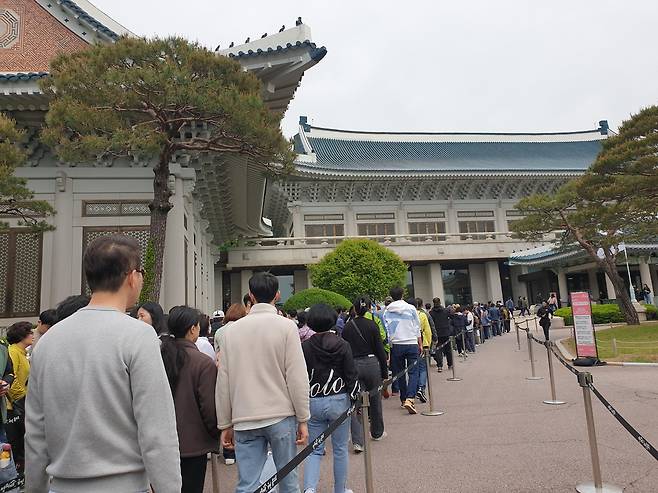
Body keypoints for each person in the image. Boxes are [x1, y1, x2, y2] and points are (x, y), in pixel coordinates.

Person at [26, 234, 181, 493]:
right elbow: (156, 431)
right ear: (132, 277)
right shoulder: (138, 336)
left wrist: (34, 488)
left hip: (61, 485)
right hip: (125, 485)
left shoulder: (48, 341)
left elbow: (36, 432)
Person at [217, 272, 310, 493]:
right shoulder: (286, 327)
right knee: (288, 480)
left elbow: (223, 380)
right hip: (280, 414)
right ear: (277, 295)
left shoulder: (231, 331)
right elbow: (296, 376)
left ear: (250, 295)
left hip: (244, 416)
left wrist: (225, 423)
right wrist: (303, 418)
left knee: (247, 484)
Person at [161, 306, 219, 493]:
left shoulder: (159, 356)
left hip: (160, 441)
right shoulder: (202, 363)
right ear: (193, 329)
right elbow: (209, 408)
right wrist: (216, 433)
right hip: (193, 443)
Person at [302, 304, 359, 493]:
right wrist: (354, 399)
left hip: (314, 400)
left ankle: (309, 489)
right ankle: (340, 490)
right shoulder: (342, 344)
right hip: (339, 399)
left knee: (315, 449)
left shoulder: (305, 347)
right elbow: (351, 375)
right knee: (341, 448)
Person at [342, 296, 388, 453]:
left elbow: (344, 350)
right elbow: (380, 350)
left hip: (354, 364)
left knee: (356, 402)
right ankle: (377, 431)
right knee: (375, 398)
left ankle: (358, 441)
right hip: (371, 363)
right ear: (369, 307)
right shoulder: (372, 325)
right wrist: (384, 370)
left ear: (354, 308)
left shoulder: (347, 327)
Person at [214, 303, 246, 466]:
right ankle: (241, 448)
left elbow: (217, 354)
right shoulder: (244, 329)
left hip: (224, 373)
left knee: (227, 411)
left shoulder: (220, 331)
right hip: (241, 374)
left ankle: (228, 452)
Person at [382, 286, 422, 415]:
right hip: (411, 342)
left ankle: (403, 398)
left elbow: (386, 329)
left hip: (396, 344)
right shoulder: (411, 308)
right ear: (402, 294)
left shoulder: (387, 310)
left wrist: (390, 344)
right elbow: (417, 326)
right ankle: (410, 398)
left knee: (399, 373)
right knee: (413, 372)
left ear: (391, 295)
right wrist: (419, 342)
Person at [6, 322, 33, 473]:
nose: (32, 335)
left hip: (20, 401)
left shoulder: (22, 352)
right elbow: (11, 376)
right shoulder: (13, 351)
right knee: (14, 440)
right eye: (29, 333)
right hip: (13, 404)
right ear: (21, 335)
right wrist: (22, 395)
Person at [411, 298, 433, 403]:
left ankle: (414, 390)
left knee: (413, 369)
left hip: (411, 343)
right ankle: (421, 388)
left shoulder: (408, 315)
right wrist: (428, 344)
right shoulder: (422, 315)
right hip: (422, 343)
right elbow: (428, 331)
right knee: (423, 368)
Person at [429, 298, 453, 372]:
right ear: (440, 302)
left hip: (437, 333)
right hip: (446, 332)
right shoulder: (446, 311)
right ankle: (450, 364)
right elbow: (451, 318)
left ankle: (440, 366)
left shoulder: (431, 313)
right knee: (448, 350)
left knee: (438, 350)